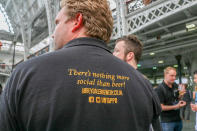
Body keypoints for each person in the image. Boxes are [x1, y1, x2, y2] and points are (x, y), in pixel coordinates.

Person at [0, 0, 161, 130]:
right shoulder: (144, 85)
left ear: (77, 20)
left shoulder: (25, 74)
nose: (53, 32)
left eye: (57, 23)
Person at [113, 35, 161, 131]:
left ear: (130, 55)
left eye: (117, 51)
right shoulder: (145, 84)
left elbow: (154, 123)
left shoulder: (144, 85)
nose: (112, 54)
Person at [155, 66, 186, 131]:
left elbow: (177, 98)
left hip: (178, 119)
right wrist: (176, 106)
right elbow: (161, 107)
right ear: (165, 75)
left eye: (175, 76)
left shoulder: (175, 85)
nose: (174, 78)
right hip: (167, 122)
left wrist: (181, 95)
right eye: (171, 76)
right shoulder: (159, 89)